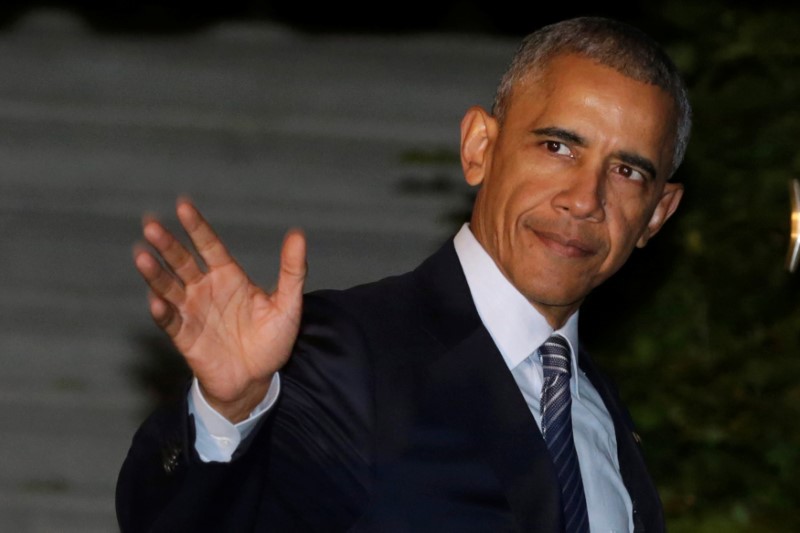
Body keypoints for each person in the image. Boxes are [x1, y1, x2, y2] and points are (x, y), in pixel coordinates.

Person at [116, 16, 690, 533]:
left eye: (627, 172)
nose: (585, 199)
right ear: (478, 149)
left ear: (657, 215)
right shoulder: (339, 353)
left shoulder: (598, 410)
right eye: (558, 146)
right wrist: (230, 413)